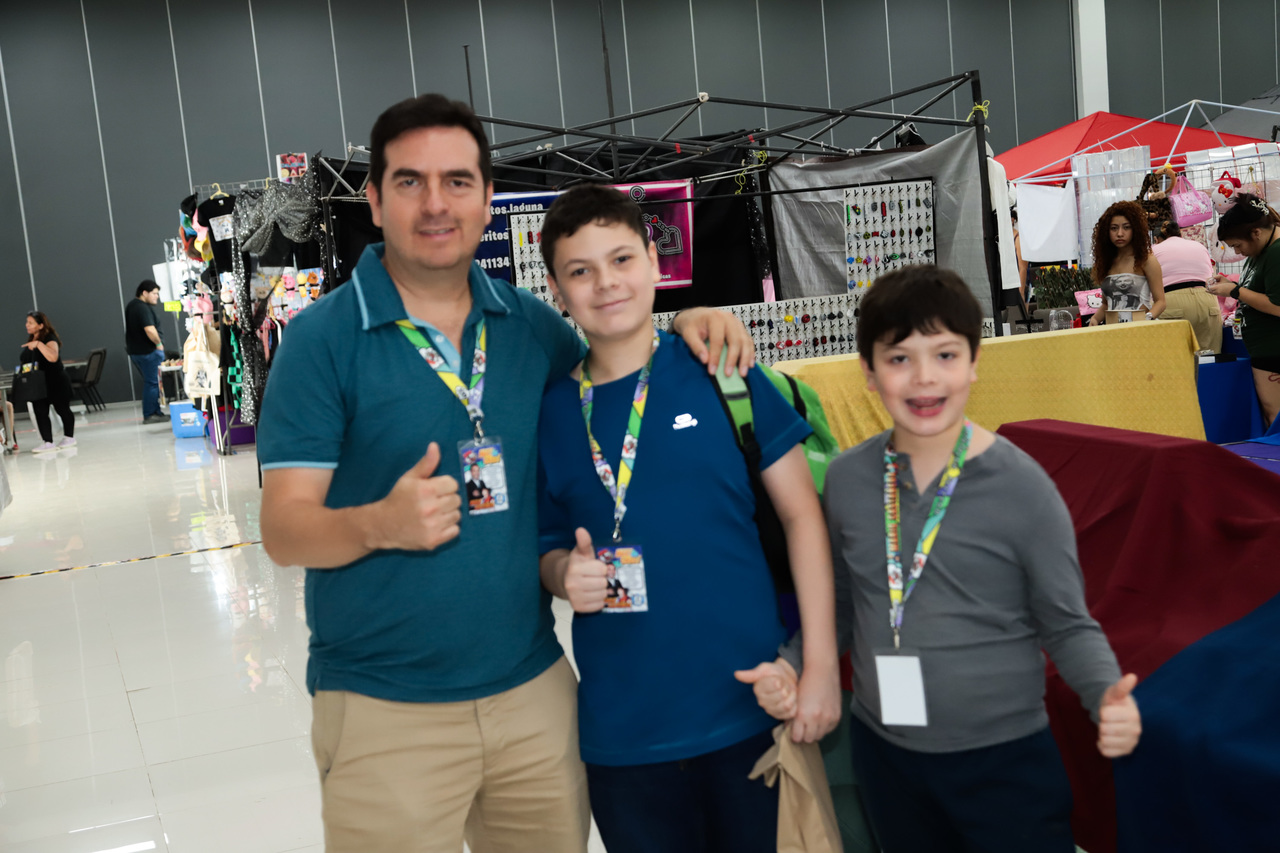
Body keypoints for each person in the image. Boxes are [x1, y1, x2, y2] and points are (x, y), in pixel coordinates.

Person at [255, 93, 754, 853]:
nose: (436, 203)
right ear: (374, 200)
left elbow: (619, 360)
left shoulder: (531, 327)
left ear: (487, 198)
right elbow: (284, 529)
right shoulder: (322, 340)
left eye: (457, 181)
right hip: (386, 707)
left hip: (533, 695)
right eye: (410, 181)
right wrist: (378, 523)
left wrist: (689, 322)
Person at [772, 266, 1142, 853]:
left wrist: (1105, 695)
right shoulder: (846, 479)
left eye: (944, 355)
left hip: (1003, 760)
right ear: (868, 371)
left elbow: (1067, 621)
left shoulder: (1022, 486)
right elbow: (840, 601)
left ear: (973, 362)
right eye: (899, 358)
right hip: (885, 754)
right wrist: (791, 664)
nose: (924, 377)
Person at [536, 184, 841, 853]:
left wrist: (820, 668)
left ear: (655, 261)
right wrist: (563, 574)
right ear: (556, 290)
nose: (606, 283)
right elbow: (546, 546)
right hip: (624, 738)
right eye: (580, 271)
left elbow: (803, 517)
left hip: (752, 707)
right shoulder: (551, 413)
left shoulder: (724, 372)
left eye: (621, 259)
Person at [1207, 193, 1280, 427]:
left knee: (1275, 418)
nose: (1238, 253)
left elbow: (1277, 305)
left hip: (1274, 351)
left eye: (1238, 245)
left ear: (1256, 233)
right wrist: (1232, 286)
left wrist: (1235, 291)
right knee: (1271, 416)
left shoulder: (1276, 252)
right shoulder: (1260, 252)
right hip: (1264, 351)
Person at [1088, 201, 1166, 326]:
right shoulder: (1106, 262)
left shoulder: (1146, 260)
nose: (1120, 233)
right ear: (1106, 231)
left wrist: (1147, 319)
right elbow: (1106, 304)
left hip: (1141, 330)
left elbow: (1161, 302)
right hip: (1113, 331)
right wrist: (1095, 319)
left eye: (1126, 227)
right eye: (1114, 228)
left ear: (1135, 229)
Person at [1151, 219, 1223, 352]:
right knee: (1209, 356)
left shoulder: (1153, 250)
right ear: (1180, 234)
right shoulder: (1199, 246)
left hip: (1172, 301)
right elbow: (1210, 275)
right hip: (1207, 300)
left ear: (1156, 239)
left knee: (1174, 358)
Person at [20, 311, 76, 453]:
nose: (27, 325)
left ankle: (69, 437)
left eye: (31, 323)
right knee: (40, 411)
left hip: (56, 381)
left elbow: (53, 357)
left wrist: (39, 344)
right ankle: (47, 441)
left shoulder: (49, 338)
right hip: (38, 383)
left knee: (62, 409)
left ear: (40, 325)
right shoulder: (31, 339)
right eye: (27, 322)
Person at [125, 280, 167, 424]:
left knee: (152, 382)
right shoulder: (141, 308)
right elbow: (150, 329)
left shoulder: (133, 306)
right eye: (154, 293)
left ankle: (156, 412)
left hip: (139, 351)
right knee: (152, 383)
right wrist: (159, 344)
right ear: (144, 293)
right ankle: (150, 414)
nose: (157, 297)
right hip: (148, 352)